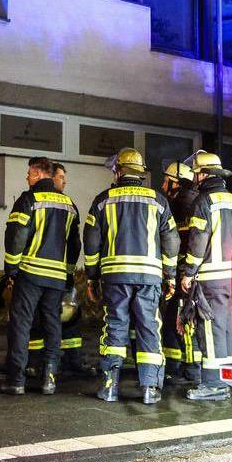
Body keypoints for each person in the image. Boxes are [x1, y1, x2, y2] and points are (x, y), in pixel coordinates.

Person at [83, 148, 180, 404]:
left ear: (118, 171)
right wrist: (170, 275)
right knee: (149, 326)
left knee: (115, 326)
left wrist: (91, 277)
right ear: (140, 173)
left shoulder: (103, 200)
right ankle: (150, 389)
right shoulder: (158, 200)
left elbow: (91, 240)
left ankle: (110, 387)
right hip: (149, 277)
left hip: (115, 276)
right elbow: (171, 239)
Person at [0, 157, 80, 395]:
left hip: (30, 273)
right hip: (56, 277)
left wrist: (10, 271)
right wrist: (68, 273)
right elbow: (75, 244)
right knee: (53, 325)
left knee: (21, 325)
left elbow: (16, 237)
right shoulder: (69, 204)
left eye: (29, 173)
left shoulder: (28, 200)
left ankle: (16, 380)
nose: (27, 177)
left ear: (38, 174)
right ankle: (49, 379)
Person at [180, 151, 232, 401]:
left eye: (197, 172)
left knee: (209, 328)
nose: (195, 177)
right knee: (227, 327)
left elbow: (198, 243)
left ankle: (212, 383)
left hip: (210, 277)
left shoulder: (202, 202)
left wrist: (188, 273)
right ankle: (228, 377)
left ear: (204, 174)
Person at [158, 162, 200, 383]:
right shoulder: (191, 200)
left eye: (166, 180)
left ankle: (191, 369)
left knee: (183, 320)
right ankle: (177, 365)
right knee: (176, 317)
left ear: (176, 183)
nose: (163, 184)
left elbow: (178, 242)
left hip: (183, 272)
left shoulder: (180, 204)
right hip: (188, 271)